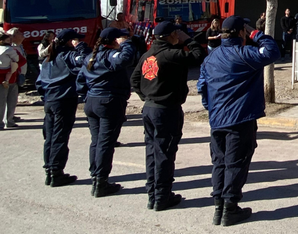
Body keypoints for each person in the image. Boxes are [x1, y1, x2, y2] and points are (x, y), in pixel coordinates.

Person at [197, 16, 280, 226]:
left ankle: (218, 206)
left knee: (219, 162)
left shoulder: (211, 58)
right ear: (241, 32)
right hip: (239, 118)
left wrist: (211, 108)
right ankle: (230, 208)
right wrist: (255, 32)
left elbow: (202, 86)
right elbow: (272, 50)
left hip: (217, 119)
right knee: (236, 163)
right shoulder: (245, 54)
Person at [132, 21, 206, 211]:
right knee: (165, 152)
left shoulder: (148, 55)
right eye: (176, 33)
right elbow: (198, 56)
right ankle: (162, 196)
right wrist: (188, 39)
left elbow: (134, 79)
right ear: (171, 35)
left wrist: (146, 96)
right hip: (166, 109)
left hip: (150, 108)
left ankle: (153, 193)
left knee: (152, 152)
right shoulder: (170, 54)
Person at [77, 27, 135, 198]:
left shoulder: (90, 57)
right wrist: (126, 44)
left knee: (96, 141)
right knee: (105, 142)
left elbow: (80, 81)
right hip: (108, 101)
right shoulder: (109, 56)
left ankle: (95, 176)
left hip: (92, 101)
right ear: (114, 41)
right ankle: (101, 181)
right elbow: (126, 59)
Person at [36, 29, 91, 187]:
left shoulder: (49, 58)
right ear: (69, 41)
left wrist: (45, 96)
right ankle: (56, 172)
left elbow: (40, 83)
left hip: (50, 100)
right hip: (63, 99)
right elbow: (87, 59)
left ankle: (50, 170)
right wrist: (80, 46)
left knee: (50, 136)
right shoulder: (66, 55)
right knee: (59, 136)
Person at [0, 32, 19, 130]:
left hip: (8, 77)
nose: (9, 41)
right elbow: (18, 60)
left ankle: (7, 121)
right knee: (8, 101)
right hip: (8, 77)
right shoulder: (10, 49)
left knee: (5, 101)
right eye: (8, 40)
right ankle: (8, 121)